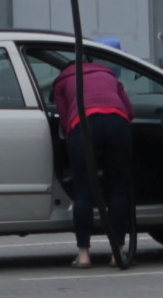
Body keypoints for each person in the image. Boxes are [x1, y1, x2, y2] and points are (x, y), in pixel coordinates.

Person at [49, 53, 138, 269]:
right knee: (117, 189)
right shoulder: (109, 76)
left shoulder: (62, 81)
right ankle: (117, 253)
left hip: (84, 125)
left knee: (83, 191)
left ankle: (84, 255)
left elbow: (64, 119)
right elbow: (131, 111)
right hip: (117, 123)